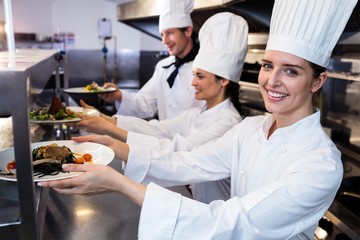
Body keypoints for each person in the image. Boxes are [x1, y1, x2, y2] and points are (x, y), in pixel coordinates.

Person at [38, 0, 358, 239]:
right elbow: (188, 161)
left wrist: (121, 184)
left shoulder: (320, 165)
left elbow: (233, 222)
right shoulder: (250, 129)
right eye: (267, 65)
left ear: (317, 81)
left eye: (291, 71)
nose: (272, 81)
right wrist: (114, 144)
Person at [76, 12, 248, 203]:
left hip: (218, 213)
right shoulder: (196, 114)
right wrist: (103, 119)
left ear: (223, 80)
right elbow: (158, 129)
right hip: (193, 196)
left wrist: (113, 138)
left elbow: (181, 150)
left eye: (199, 76)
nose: (193, 83)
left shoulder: (228, 123)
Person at [93, 0, 204, 121]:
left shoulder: (206, 67)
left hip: (198, 138)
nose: (164, 41)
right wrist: (119, 96)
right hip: (165, 138)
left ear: (188, 31)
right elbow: (145, 104)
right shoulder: (163, 67)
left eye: (170, 33)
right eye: (162, 35)